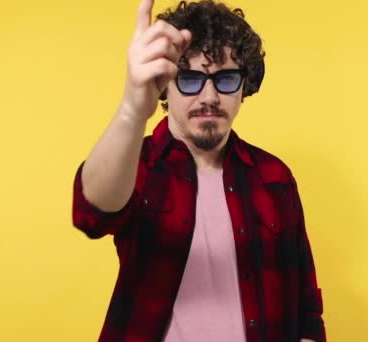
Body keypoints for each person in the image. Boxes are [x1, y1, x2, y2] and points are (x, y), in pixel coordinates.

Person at [71, 0, 326, 341]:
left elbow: (305, 308)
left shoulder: (274, 177)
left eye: (225, 79)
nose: (209, 97)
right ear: (166, 85)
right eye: (190, 78)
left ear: (243, 86)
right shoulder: (139, 162)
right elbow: (91, 212)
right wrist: (133, 108)